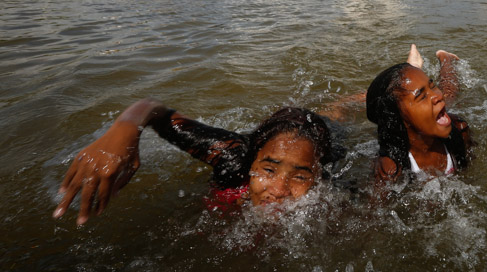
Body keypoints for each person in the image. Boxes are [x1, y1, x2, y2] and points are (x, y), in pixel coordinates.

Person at [52, 100, 339, 225]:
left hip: (328, 146)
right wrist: (123, 129)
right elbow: (155, 111)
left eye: (300, 177)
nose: (278, 190)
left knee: (334, 122)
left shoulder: (330, 184)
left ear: (316, 176)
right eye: (268, 169)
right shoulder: (231, 156)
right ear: (254, 159)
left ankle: (342, 108)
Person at [365, 47, 473, 183]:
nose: (437, 96)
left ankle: (446, 59)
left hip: (428, 115)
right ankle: (413, 67)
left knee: (449, 95)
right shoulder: (391, 169)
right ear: (402, 120)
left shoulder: (459, 129)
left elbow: (469, 173)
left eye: (432, 86)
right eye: (421, 97)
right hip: (400, 127)